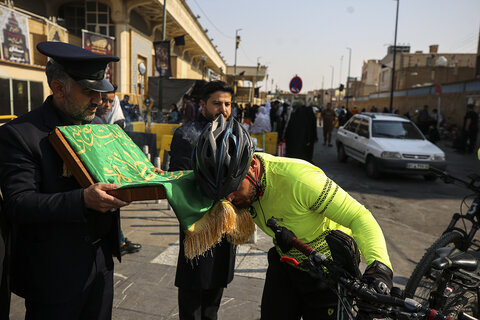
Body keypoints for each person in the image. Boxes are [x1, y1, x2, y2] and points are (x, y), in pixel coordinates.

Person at [192, 116, 393, 320]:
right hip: (287, 261)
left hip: (330, 272)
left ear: (252, 165)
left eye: (233, 188)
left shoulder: (298, 180)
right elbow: (187, 183)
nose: (229, 199)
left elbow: (359, 216)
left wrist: (380, 268)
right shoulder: (230, 184)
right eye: (221, 194)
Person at [0, 41, 130, 319]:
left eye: (101, 92)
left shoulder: (98, 127)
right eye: (88, 92)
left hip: (100, 264)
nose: (98, 100)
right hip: (53, 273)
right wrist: (82, 199)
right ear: (59, 88)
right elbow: (18, 204)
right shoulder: (21, 134)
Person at [169, 81, 236, 320]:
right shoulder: (186, 134)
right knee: (192, 298)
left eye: (227, 104)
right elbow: (178, 182)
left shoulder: (235, 134)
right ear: (203, 105)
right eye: (217, 103)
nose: (223, 109)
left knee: (214, 298)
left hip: (225, 225)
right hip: (197, 225)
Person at [92, 89, 142, 256]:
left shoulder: (107, 121)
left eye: (111, 101)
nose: (107, 105)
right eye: (104, 100)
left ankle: (119, 241)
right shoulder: (96, 122)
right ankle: (118, 242)